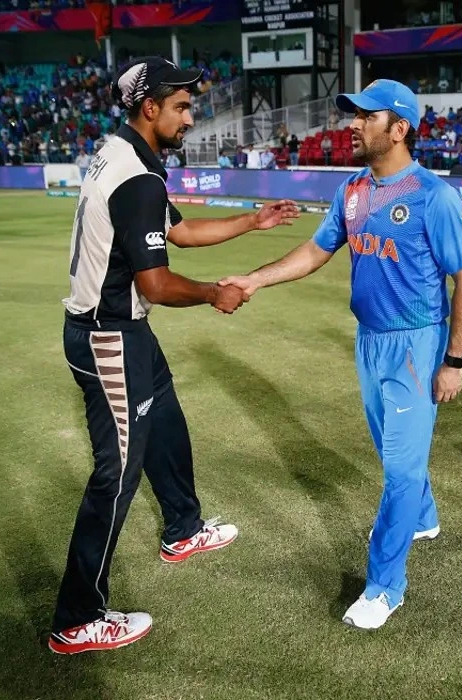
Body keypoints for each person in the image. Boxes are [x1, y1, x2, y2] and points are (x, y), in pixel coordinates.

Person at [50, 57, 300, 655]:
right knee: (116, 475)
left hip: (121, 331)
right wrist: (216, 292)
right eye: (183, 107)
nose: (191, 118)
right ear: (150, 107)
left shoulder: (122, 155)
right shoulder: (136, 175)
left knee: (165, 419)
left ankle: (183, 528)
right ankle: (77, 618)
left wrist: (252, 222)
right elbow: (156, 284)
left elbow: (177, 232)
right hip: (109, 335)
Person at [218, 79, 462, 630]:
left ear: (400, 128)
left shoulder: (434, 195)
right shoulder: (353, 191)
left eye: (366, 116)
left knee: (400, 471)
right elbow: (316, 251)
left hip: (417, 343)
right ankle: (424, 519)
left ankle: (386, 585)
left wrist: (453, 361)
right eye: (354, 115)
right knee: (392, 453)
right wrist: (255, 279)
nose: (354, 124)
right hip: (370, 341)